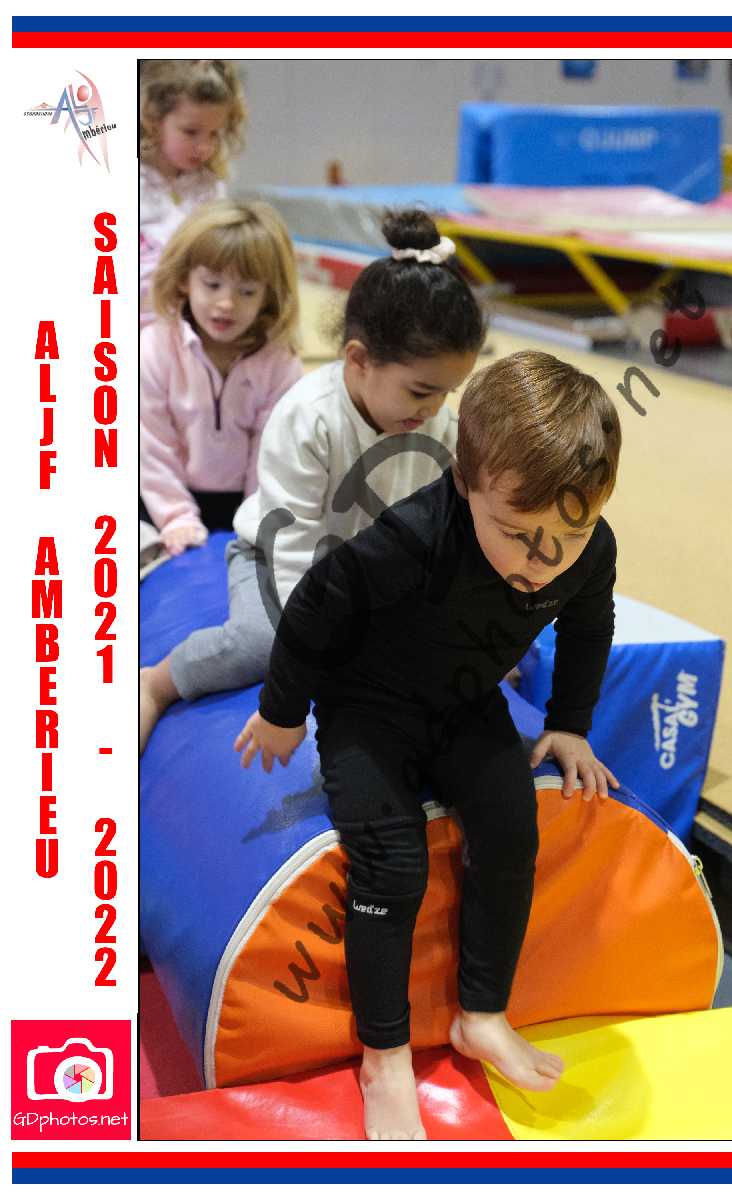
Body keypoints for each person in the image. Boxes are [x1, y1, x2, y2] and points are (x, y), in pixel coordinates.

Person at [235, 349, 622, 1140]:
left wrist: (570, 723)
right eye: (517, 534)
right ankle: (384, 1057)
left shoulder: (591, 549)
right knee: (394, 862)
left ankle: (482, 1015)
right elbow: (314, 606)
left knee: (512, 828)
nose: (542, 558)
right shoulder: (413, 537)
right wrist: (282, 711)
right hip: (367, 709)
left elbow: (590, 626)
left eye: (569, 533)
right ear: (464, 483)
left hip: (464, 703)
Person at [140, 210, 485, 753]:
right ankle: (156, 684)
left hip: (368, 571)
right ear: (358, 360)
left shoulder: (438, 424)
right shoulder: (308, 417)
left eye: (448, 391)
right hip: (276, 557)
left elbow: (451, 527)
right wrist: (324, 632)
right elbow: (291, 542)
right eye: (421, 391)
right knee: (261, 643)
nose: (434, 406)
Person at [140, 199, 303, 559]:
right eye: (212, 285)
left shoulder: (279, 363)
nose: (227, 303)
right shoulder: (153, 348)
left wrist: (258, 520)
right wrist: (176, 517)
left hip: (242, 502)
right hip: (161, 498)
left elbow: (271, 453)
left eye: (247, 291)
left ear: (268, 295)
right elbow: (152, 447)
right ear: (184, 280)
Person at [139, 59, 247, 322]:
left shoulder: (210, 185)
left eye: (214, 134)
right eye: (191, 132)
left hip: (194, 321)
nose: (204, 146)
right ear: (154, 121)